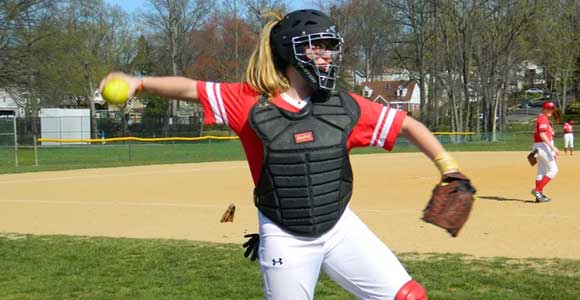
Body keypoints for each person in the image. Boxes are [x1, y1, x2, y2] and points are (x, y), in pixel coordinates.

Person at [100, 9, 474, 300]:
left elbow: (409, 125)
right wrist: (140, 82)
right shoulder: (248, 101)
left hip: (340, 227)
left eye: (331, 47)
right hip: (285, 236)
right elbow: (190, 89)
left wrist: (450, 170)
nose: (328, 56)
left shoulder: (344, 107)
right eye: (318, 46)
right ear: (291, 51)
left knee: (409, 295)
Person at [531, 101, 561, 202]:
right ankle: (538, 190)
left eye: (551, 109)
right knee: (554, 170)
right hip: (542, 146)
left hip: (539, 147)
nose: (550, 110)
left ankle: (538, 196)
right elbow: (542, 135)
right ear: (543, 109)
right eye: (548, 108)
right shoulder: (543, 118)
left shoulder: (543, 118)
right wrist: (553, 148)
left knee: (541, 171)